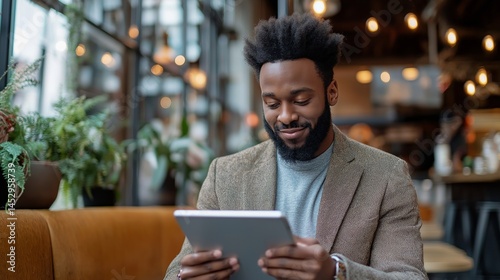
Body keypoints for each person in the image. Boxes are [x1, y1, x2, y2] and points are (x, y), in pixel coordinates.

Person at [165, 13, 426, 280]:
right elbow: (178, 269)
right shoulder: (225, 175)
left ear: (331, 92)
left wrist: (336, 272)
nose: (286, 116)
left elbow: (408, 276)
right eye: (272, 104)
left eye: (301, 100)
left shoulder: (386, 176)